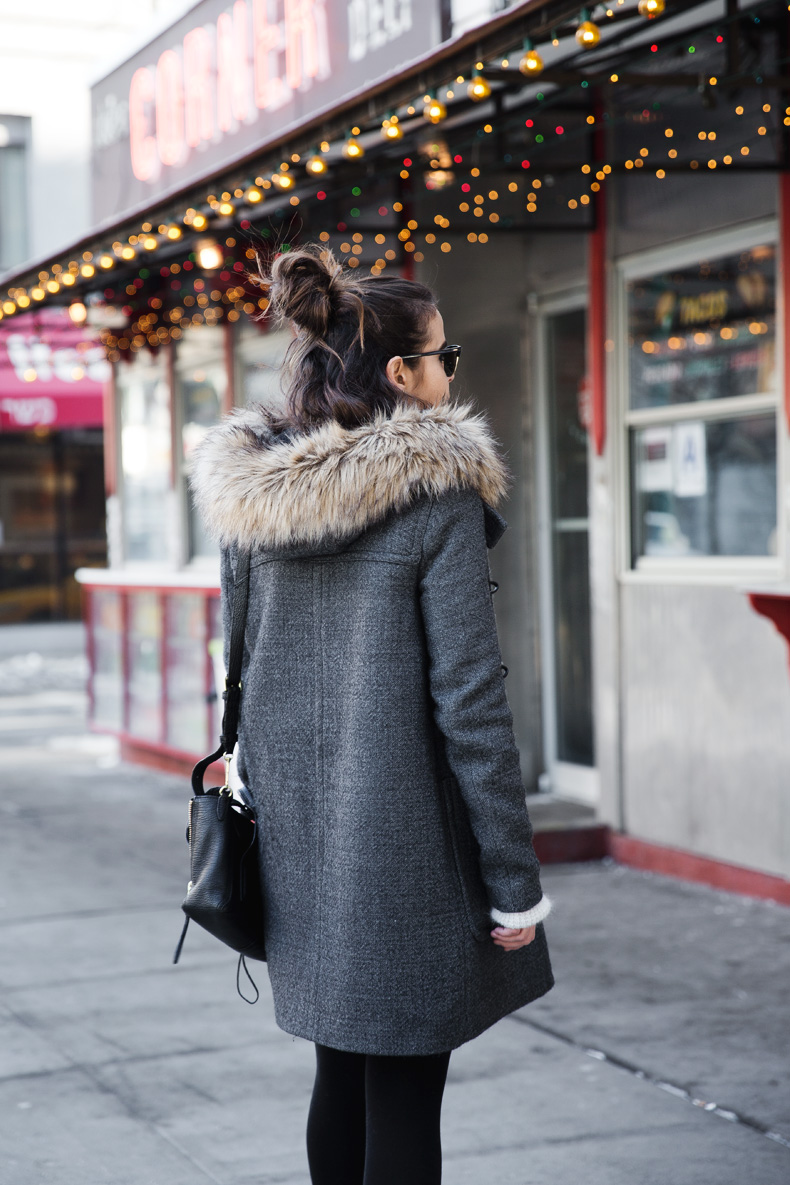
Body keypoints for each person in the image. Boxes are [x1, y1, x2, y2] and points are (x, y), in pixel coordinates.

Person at [190, 245, 554, 1185]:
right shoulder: (437, 497)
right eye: (444, 358)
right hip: (410, 854)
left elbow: (241, 664)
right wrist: (513, 879)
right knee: (403, 1097)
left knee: (338, 1074)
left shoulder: (254, 501)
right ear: (402, 374)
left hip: (301, 841)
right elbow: (470, 702)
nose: (448, 374)